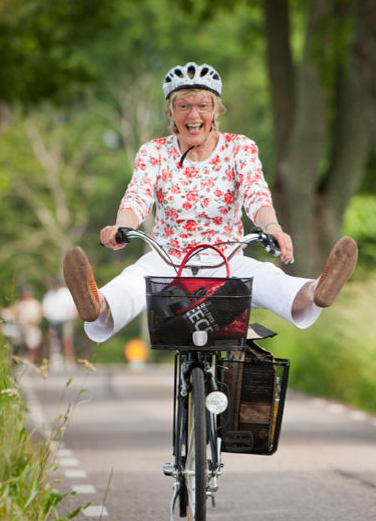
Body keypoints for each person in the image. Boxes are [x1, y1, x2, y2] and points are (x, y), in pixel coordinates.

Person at [63, 62, 358, 343]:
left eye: (202, 105)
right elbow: (137, 196)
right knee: (133, 281)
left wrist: (273, 227)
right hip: (168, 260)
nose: (193, 115)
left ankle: (317, 288)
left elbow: (256, 193)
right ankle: (96, 303)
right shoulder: (154, 152)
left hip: (226, 260)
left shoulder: (239, 147)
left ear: (216, 110)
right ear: (171, 112)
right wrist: (121, 227)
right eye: (184, 106)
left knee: (268, 277)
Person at [42, 279, 78, 369]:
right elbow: (45, 308)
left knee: (67, 340)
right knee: (54, 341)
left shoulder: (66, 293)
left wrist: (73, 315)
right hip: (53, 321)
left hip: (65, 320)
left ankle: (69, 360)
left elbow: (73, 307)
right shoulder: (49, 295)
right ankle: (55, 362)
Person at [12, 285, 44, 364]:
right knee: (18, 345)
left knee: (33, 345)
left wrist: (32, 320)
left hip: (31, 328)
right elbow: (12, 312)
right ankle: (20, 362)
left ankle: (30, 361)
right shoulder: (18, 303)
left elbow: (39, 317)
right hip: (20, 328)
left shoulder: (35, 303)